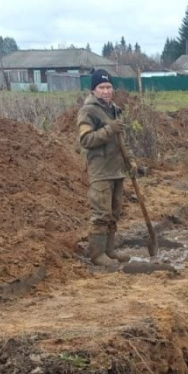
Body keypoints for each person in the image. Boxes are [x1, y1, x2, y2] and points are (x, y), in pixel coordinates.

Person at [77, 69, 137, 266]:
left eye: (109, 87)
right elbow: (86, 140)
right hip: (101, 170)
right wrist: (108, 129)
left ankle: (109, 251)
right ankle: (97, 254)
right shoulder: (89, 111)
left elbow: (121, 140)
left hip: (116, 170)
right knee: (101, 214)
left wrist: (130, 161)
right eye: (101, 87)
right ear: (94, 90)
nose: (105, 91)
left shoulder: (114, 110)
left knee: (114, 213)